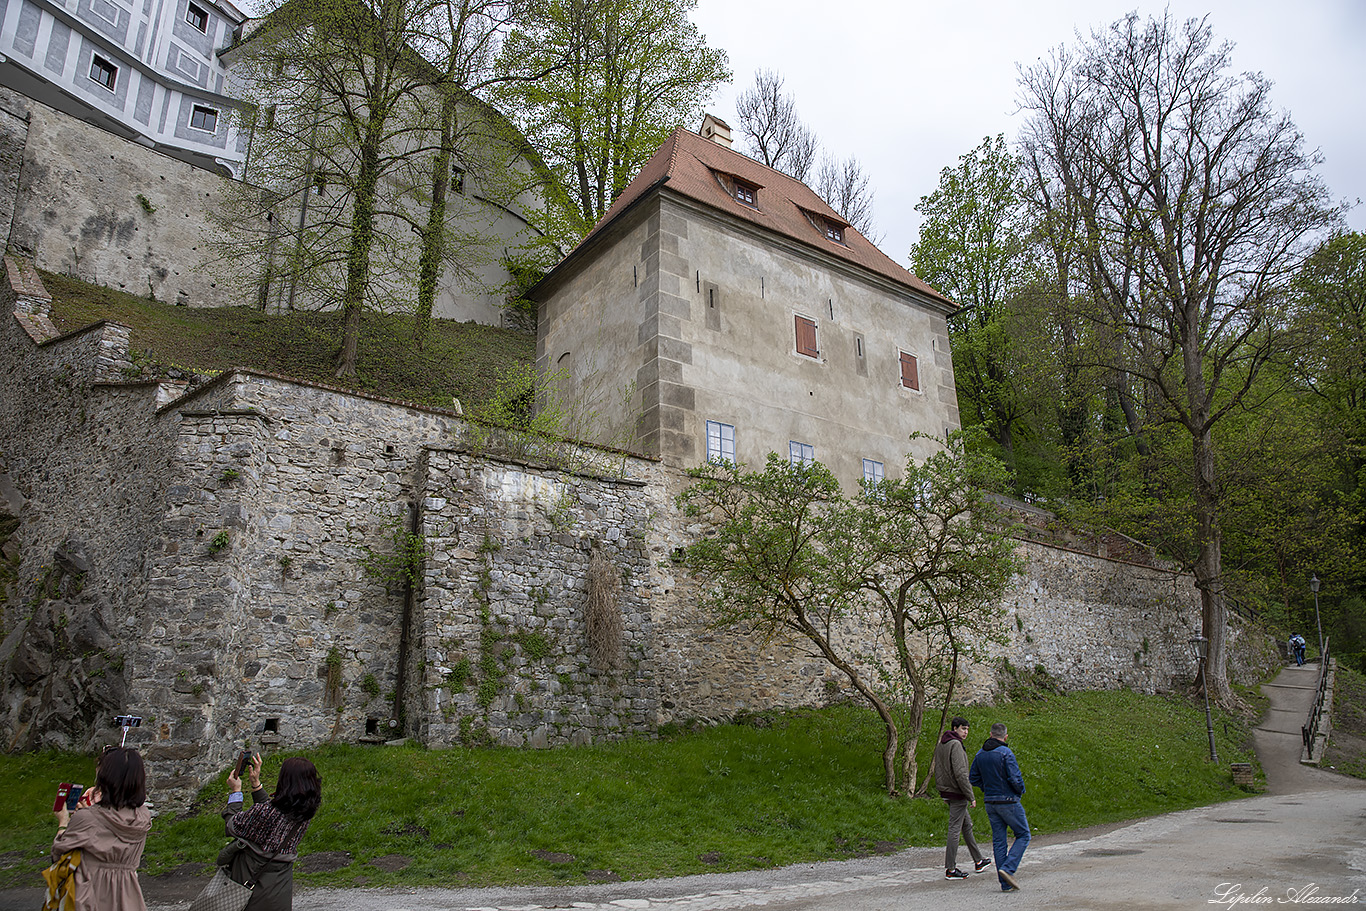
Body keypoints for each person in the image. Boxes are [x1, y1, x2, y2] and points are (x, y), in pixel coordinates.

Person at [51, 745, 152, 910]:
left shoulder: (87, 819)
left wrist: (64, 822)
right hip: (128, 897)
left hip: (90, 896)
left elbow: (59, 855)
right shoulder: (142, 816)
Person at [221, 754, 322, 910]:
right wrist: (256, 785)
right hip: (280, 887)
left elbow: (232, 825)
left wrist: (236, 792)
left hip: (251, 885)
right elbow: (273, 813)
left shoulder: (266, 813)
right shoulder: (305, 811)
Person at [969, 722, 1030, 892]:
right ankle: (1009, 869)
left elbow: (972, 777)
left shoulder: (980, 754)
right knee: (1023, 834)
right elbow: (1015, 778)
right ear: (1005, 736)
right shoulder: (1006, 753)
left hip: (990, 802)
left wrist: (986, 788)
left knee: (999, 841)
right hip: (1008, 800)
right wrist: (1020, 791)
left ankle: (1005, 883)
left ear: (990, 734)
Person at [934, 716, 991, 880]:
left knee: (967, 825)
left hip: (948, 791)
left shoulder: (942, 745)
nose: (965, 732)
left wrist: (942, 791)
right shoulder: (955, 745)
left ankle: (978, 860)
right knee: (954, 829)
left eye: (967, 729)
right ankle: (950, 869)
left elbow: (938, 769)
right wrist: (970, 795)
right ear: (955, 728)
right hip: (957, 793)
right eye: (963, 729)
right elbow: (960, 773)